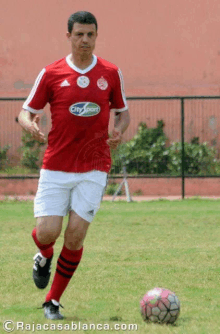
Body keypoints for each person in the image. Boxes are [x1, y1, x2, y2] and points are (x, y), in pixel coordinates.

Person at [18, 11, 130, 320]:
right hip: (56, 164)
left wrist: (119, 130)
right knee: (47, 232)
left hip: (94, 166)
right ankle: (43, 254)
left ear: (96, 36)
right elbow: (25, 111)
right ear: (68, 36)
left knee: (76, 235)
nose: (85, 40)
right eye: (79, 34)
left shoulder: (110, 72)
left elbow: (123, 112)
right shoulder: (51, 72)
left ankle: (52, 301)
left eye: (90, 34)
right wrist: (29, 124)